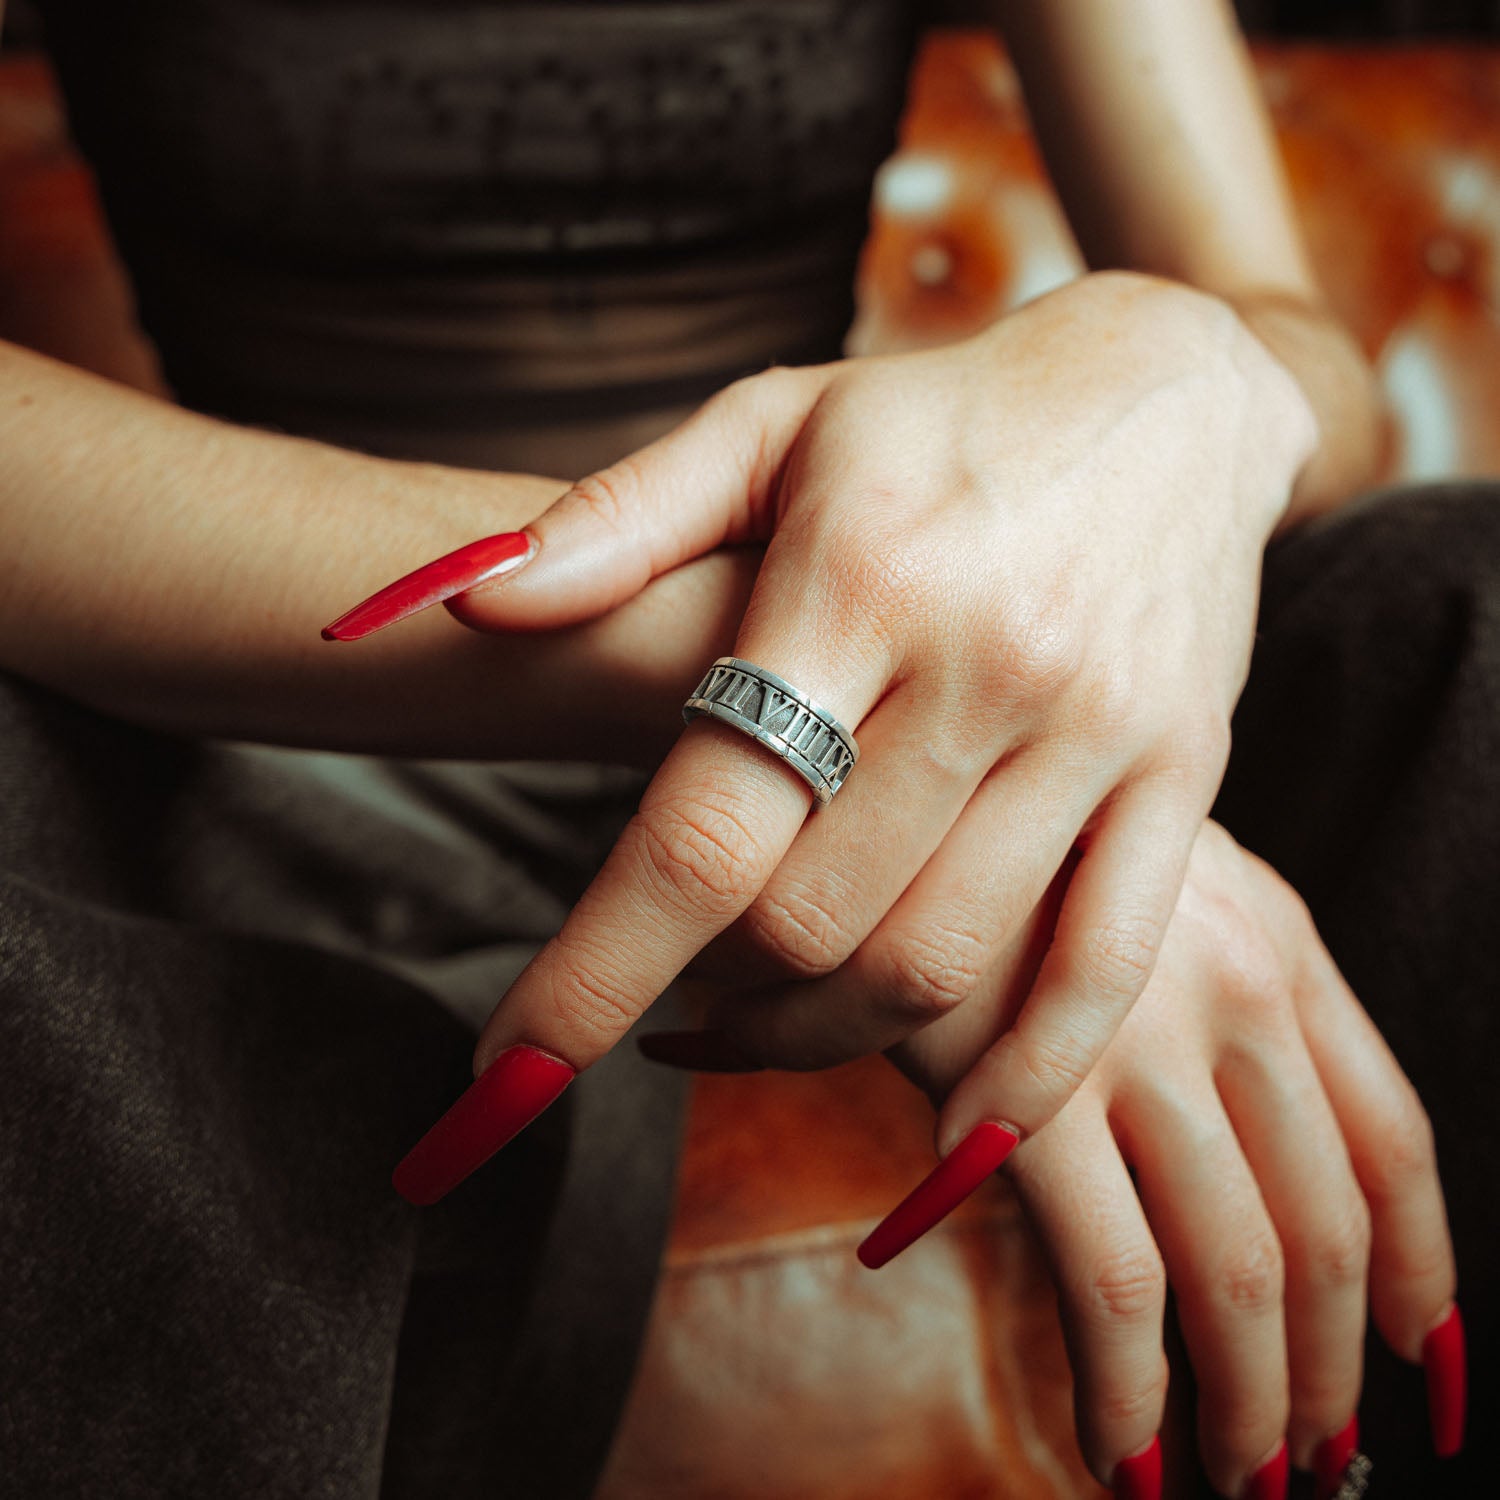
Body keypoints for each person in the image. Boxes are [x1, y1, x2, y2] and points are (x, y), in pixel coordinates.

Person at [0, 2, 1484, 1498]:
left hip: (890, 614)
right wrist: (819, 688)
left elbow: (1292, 337)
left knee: (1474, 611)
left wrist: (1192, 374)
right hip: (256, 709)